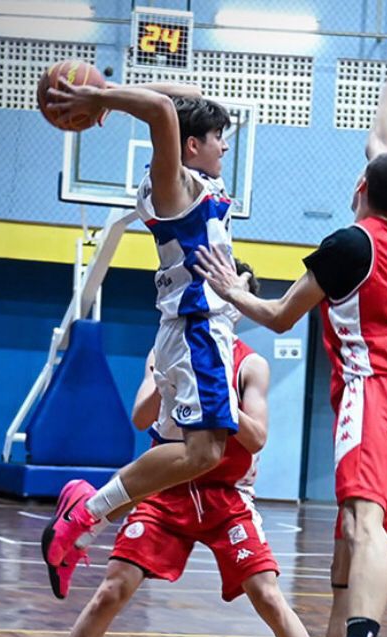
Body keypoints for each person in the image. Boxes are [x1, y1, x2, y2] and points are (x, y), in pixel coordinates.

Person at [192, 21, 387, 637]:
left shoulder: (349, 242)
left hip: (371, 394)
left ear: (362, 186)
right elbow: (384, 140)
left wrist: (230, 288)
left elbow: (278, 316)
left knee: (363, 529)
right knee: (341, 566)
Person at [17, 293, 350, 637]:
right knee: (112, 590)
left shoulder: (249, 364)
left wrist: (217, 397)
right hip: (167, 489)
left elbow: (257, 437)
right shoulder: (168, 347)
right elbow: (140, 418)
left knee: (267, 595)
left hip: (225, 494)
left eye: (233, 293)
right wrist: (169, 376)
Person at [38, 80, 242, 593]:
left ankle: (83, 521)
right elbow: (160, 108)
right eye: (217, 138)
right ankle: (85, 513)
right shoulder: (173, 184)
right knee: (203, 455)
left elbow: (187, 94)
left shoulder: (189, 180)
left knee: (173, 458)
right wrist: (99, 95)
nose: (225, 146)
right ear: (190, 144)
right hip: (199, 330)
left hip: (186, 331)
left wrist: (105, 93)